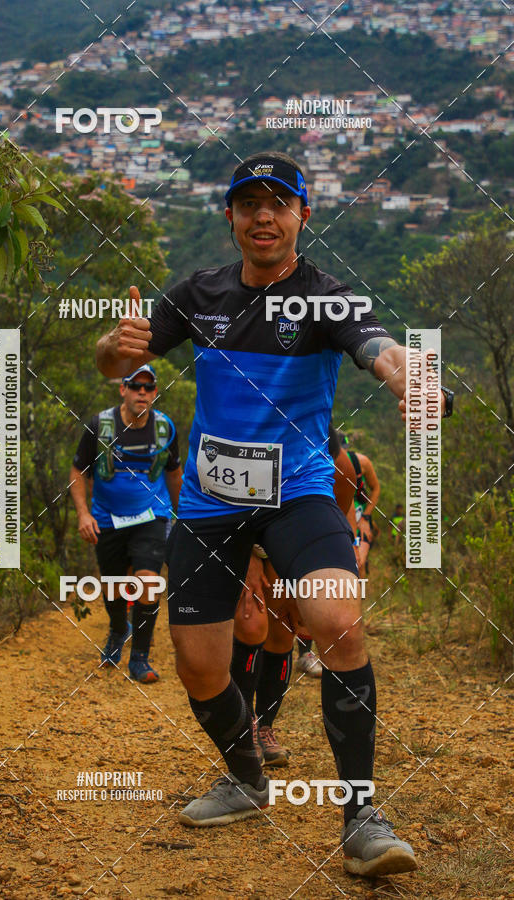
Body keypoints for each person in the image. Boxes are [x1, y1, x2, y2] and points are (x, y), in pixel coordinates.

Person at [96, 151, 448, 876]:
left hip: (299, 493)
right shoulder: (199, 293)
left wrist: (409, 377)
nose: (264, 217)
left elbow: (376, 346)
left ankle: (363, 819)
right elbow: (117, 359)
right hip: (208, 503)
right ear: (229, 216)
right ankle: (246, 777)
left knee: (337, 619)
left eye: (278, 204)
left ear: (302, 217)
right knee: (199, 668)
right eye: (249, 204)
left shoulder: (327, 298)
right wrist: (113, 346)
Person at [232, 425, 360, 770]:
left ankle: (264, 726)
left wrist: (297, 583)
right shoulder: (243, 422)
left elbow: (335, 514)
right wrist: (247, 562)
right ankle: (240, 732)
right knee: (249, 621)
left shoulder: (336, 460)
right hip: (237, 526)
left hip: (290, 536)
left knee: (281, 631)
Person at [69, 364, 183, 683]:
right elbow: (78, 472)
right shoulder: (100, 426)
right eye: (135, 387)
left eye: (148, 388)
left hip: (152, 516)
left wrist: (183, 519)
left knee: (147, 580)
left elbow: (174, 474)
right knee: (114, 586)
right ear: (123, 390)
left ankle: (140, 659)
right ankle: (119, 630)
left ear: (155, 393)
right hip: (107, 518)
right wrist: (83, 514)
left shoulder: (164, 429)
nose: (141, 393)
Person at [346, 448, 380, 578]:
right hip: (340, 519)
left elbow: (376, 488)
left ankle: (360, 595)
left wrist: (366, 517)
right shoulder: (324, 461)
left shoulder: (361, 462)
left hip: (360, 519)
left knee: (358, 564)